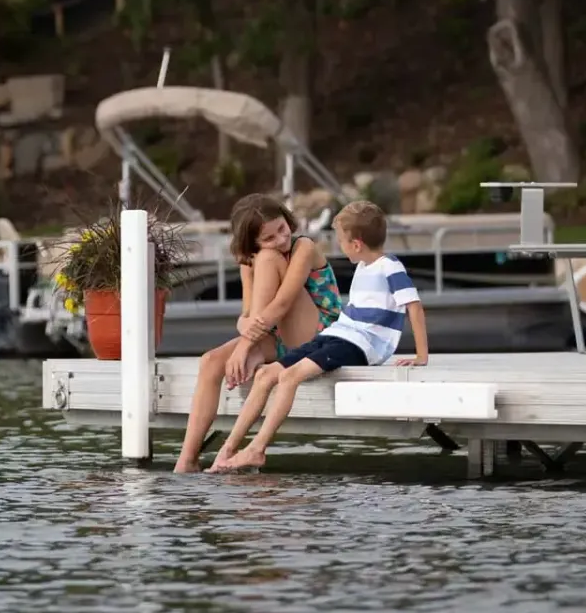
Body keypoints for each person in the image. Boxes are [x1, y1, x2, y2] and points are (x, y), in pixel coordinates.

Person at [214, 199, 427, 471]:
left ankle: (257, 449)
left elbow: (415, 307)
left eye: (341, 240)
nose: (339, 245)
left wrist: (421, 355)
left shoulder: (390, 267)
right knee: (266, 374)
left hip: (361, 345)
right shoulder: (363, 268)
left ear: (356, 244)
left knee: (288, 377)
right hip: (341, 334)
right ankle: (227, 450)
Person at [172, 193, 344, 473]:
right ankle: (187, 460)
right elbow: (248, 314)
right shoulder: (249, 262)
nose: (280, 240)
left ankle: (252, 355)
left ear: (288, 220)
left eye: (281, 229)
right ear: (250, 242)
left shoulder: (304, 247)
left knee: (267, 260)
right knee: (210, 361)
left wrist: (244, 348)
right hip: (275, 333)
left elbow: (283, 303)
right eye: (268, 238)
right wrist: (244, 331)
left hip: (321, 335)